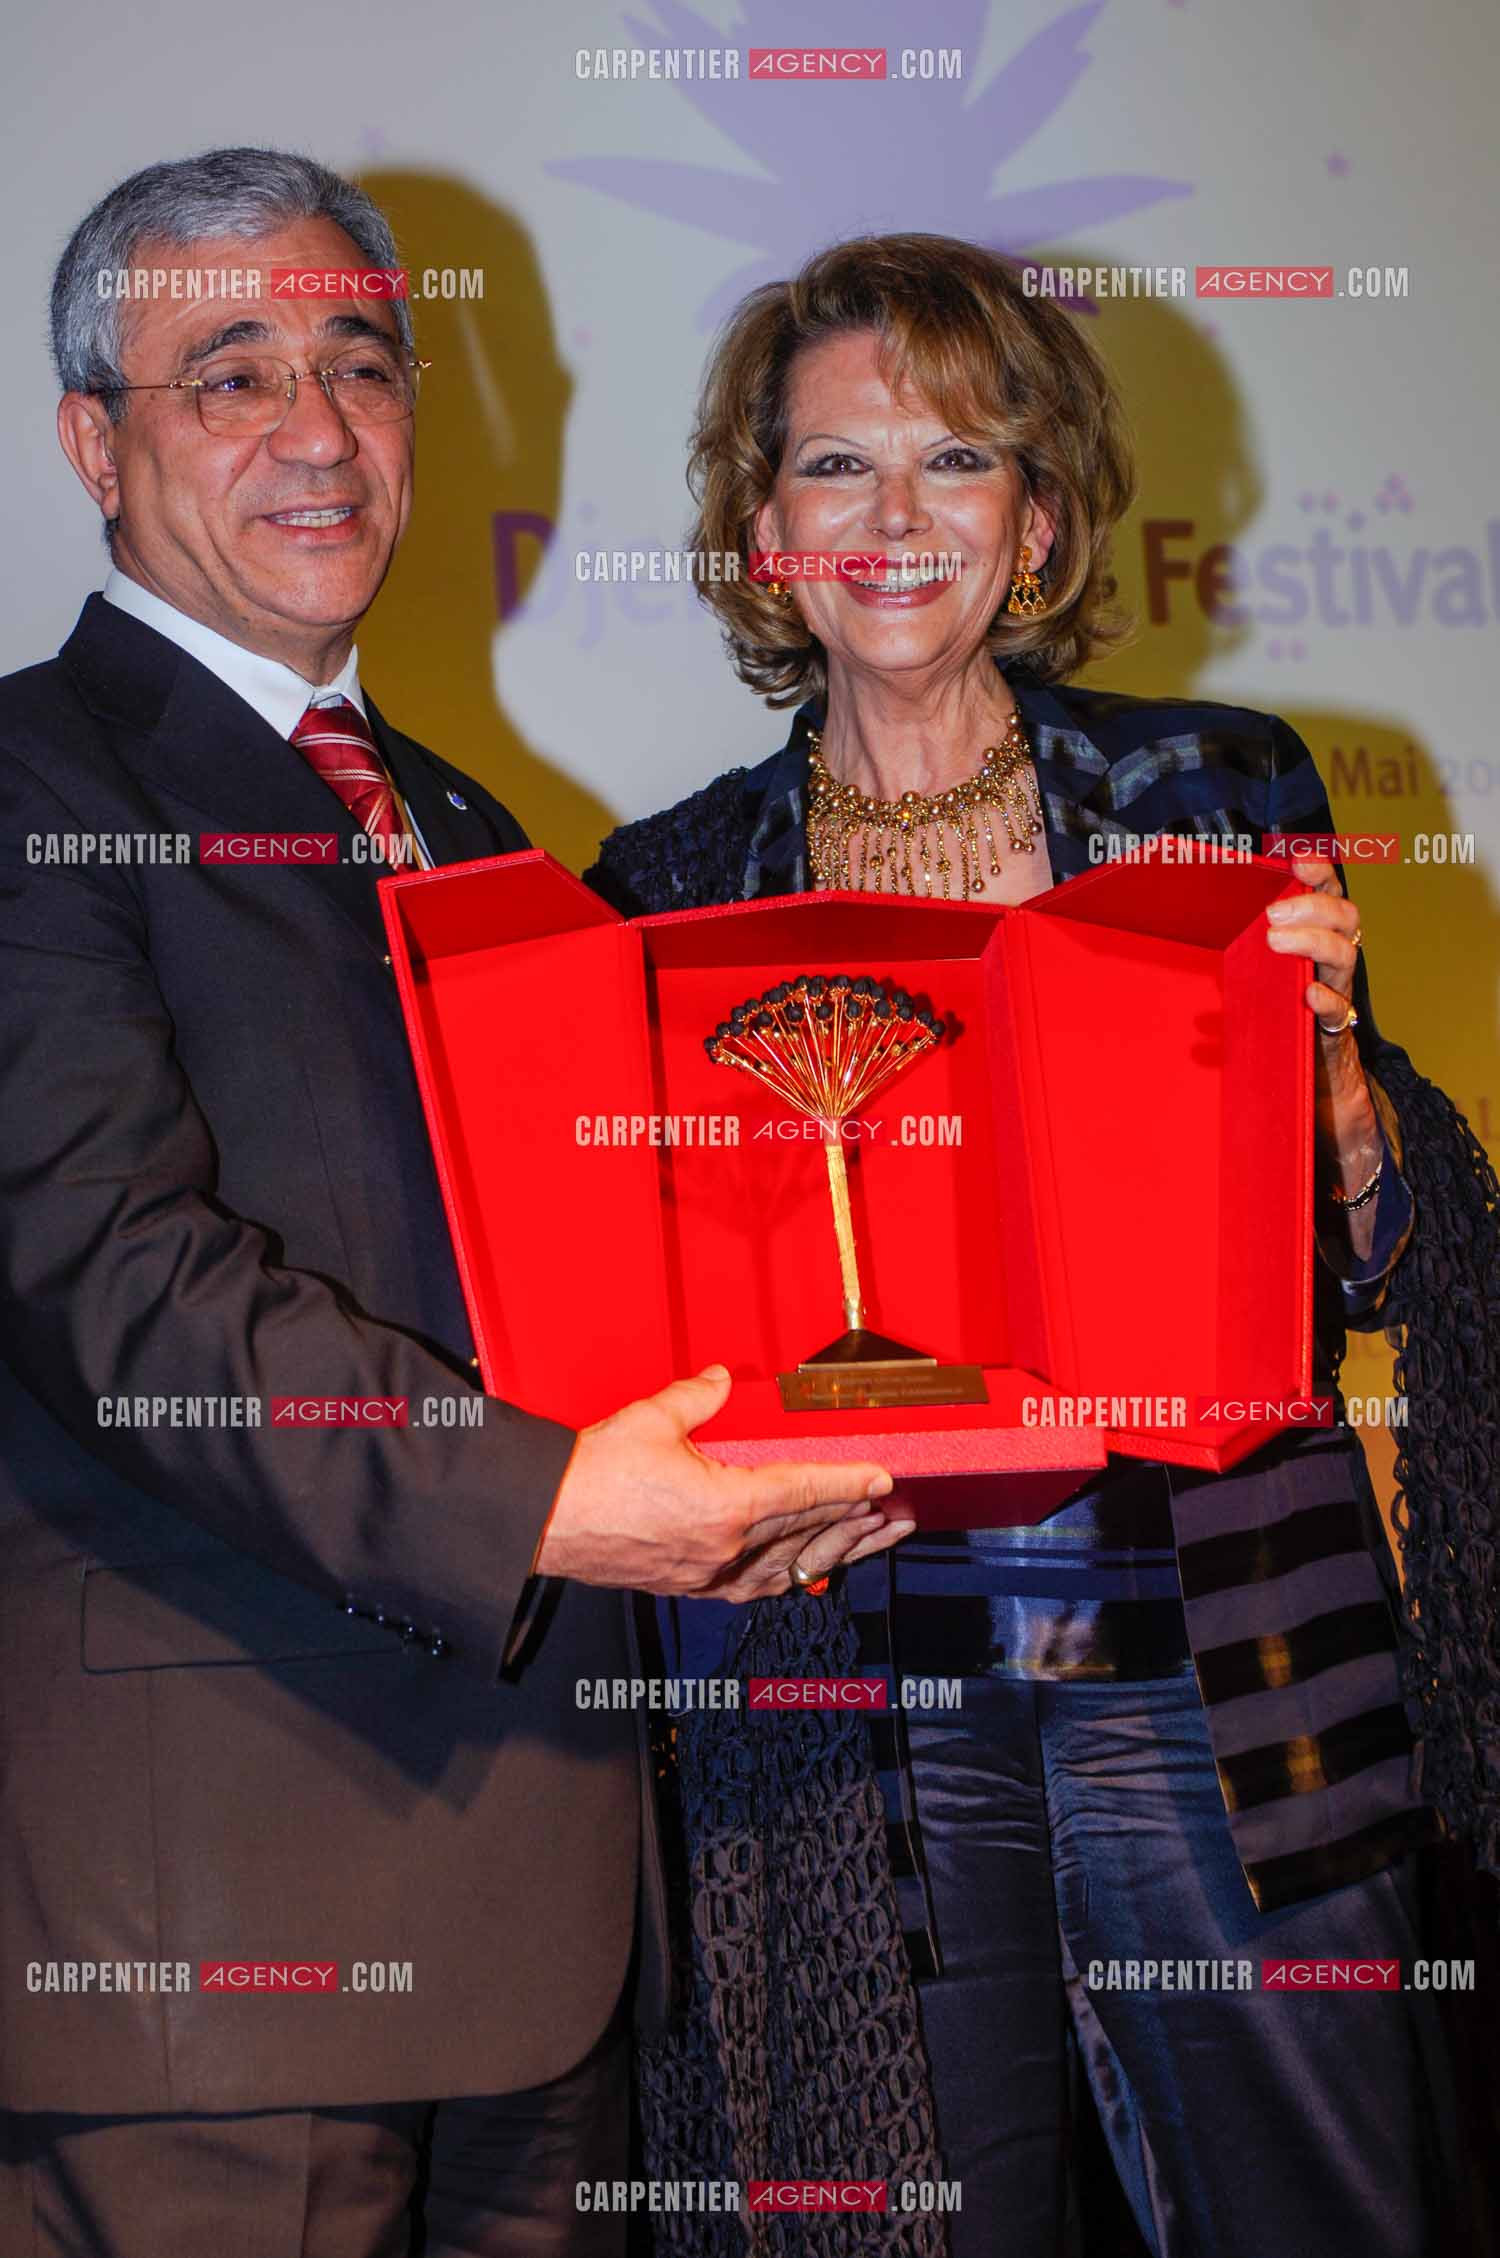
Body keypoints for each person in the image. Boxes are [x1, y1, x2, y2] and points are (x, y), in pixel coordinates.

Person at [0, 151, 908, 2258]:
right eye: (228, 374)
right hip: (213, 1947)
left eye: (364, 363)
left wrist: (733, 1476)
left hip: (542, 1912)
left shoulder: (477, 827)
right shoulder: (37, 786)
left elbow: (573, 1282)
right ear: (93, 447)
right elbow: (118, 1288)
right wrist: (561, 1505)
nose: (320, 430)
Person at [587, 233, 1496, 2257]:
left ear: (1047, 514)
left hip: (1220, 1663)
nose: (895, 520)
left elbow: (1373, 1259)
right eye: (835, 469)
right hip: (856, 1681)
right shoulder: (662, 891)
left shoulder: (1208, 788)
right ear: (756, 536)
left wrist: (1340, 1094)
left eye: (958, 461)